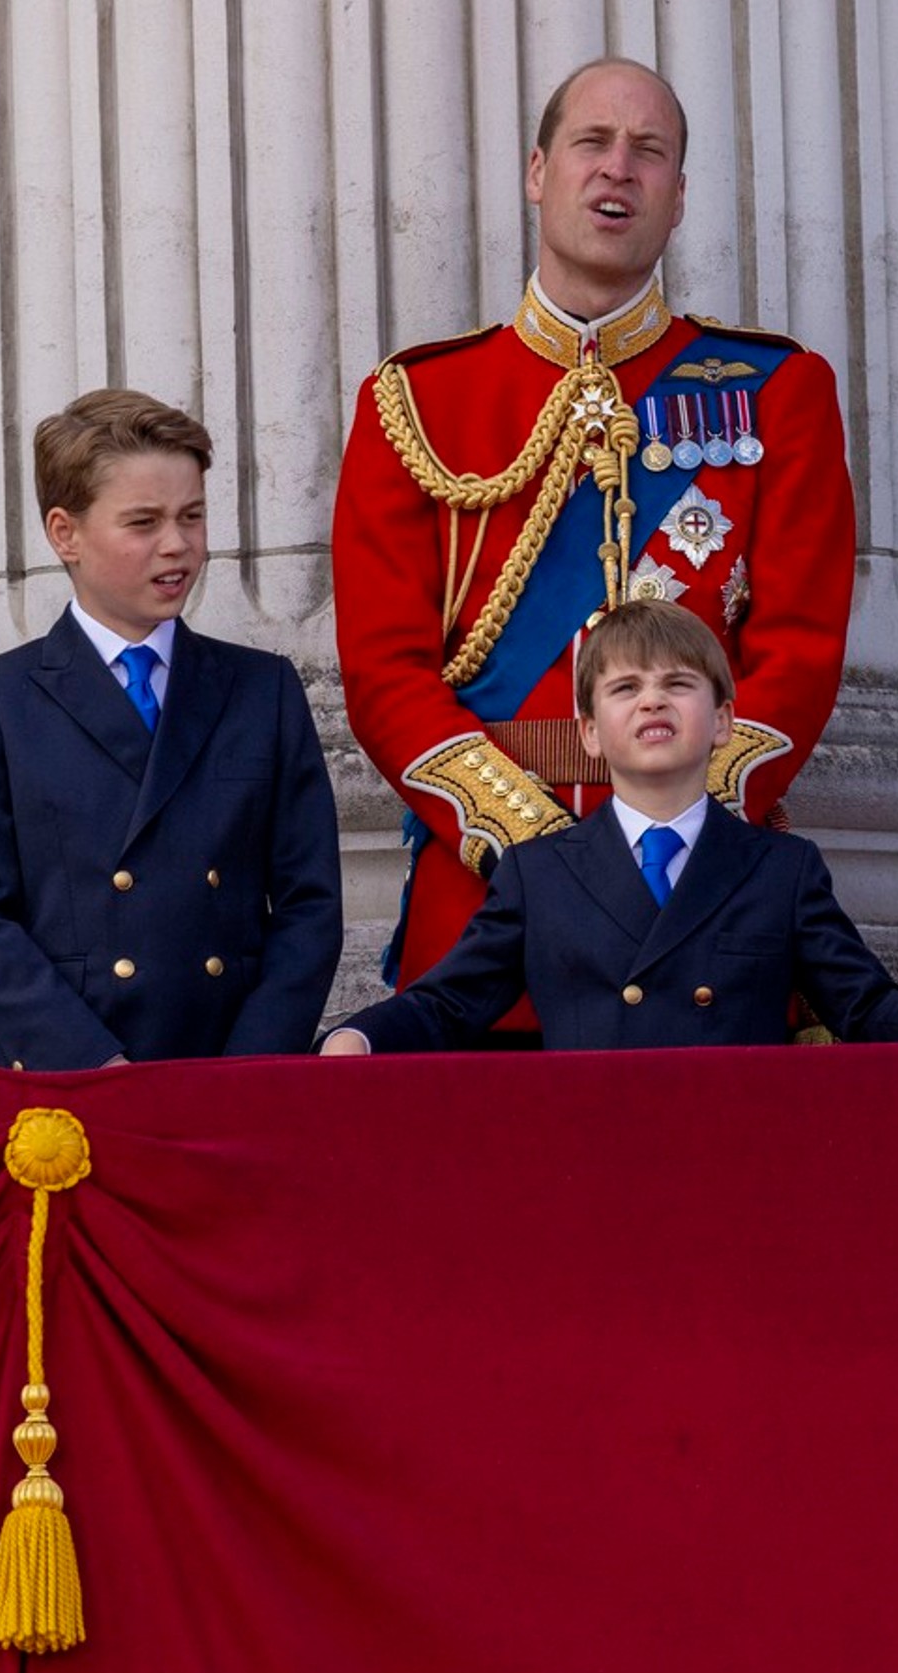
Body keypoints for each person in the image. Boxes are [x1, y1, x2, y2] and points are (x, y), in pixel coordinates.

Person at [331, 55, 855, 1028]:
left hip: (708, 908)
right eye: (593, 144)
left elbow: (800, 651)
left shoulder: (778, 391)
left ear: (679, 195)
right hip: (488, 912)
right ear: (539, 173)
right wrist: (541, 850)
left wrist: (671, 831)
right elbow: (384, 670)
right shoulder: (416, 402)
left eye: (648, 152)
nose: (619, 169)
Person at [322, 600, 898, 1053]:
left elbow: (862, 1000)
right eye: (625, 688)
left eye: (678, 684)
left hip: (738, 1161)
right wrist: (359, 1036)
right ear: (591, 733)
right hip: (592, 1161)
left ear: (723, 721)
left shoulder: (781, 869)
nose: (652, 700)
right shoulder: (539, 873)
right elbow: (450, 1004)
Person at [0, 389, 342, 1069]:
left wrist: (248, 1069)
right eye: (144, 522)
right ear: (65, 534)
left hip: (229, 1075)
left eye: (192, 516)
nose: (177, 544)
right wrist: (93, 1065)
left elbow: (310, 904)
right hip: (66, 1080)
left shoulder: (261, 691)